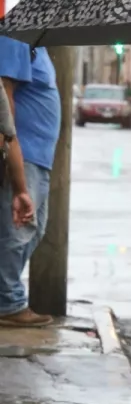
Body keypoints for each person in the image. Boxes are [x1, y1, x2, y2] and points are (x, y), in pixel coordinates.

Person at [0, 36, 61, 329]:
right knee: (17, 232)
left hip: (38, 157)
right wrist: (9, 153)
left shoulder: (36, 44)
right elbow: (5, 101)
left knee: (34, 230)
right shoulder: (14, 38)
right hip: (22, 155)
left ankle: (7, 298)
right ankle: (7, 303)